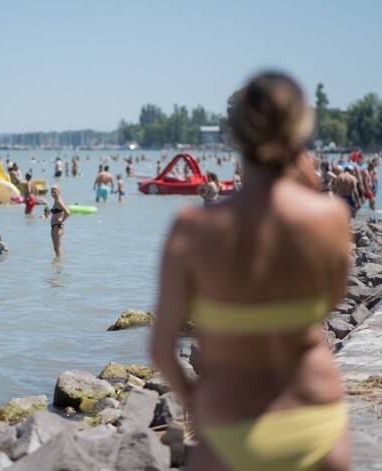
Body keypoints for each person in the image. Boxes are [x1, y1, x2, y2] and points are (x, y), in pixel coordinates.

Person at [151, 72, 351, 471]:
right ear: (301, 131)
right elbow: (328, 303)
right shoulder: (331, 217)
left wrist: (197, 403)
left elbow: (161, 349)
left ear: (234, 135)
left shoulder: (193, 230)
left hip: (232, 419)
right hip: (316, 415)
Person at [49, 184, 70, 256]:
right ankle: (58, 265)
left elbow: (68, 212)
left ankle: (59, 265)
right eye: (51, 192)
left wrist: (61, 220)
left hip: (57, 227)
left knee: (57, 249)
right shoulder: (56, 200)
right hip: (55, 227)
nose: (52, 193)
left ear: (58, 192)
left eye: (54, 192)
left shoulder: (59, 202)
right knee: (56, 249)